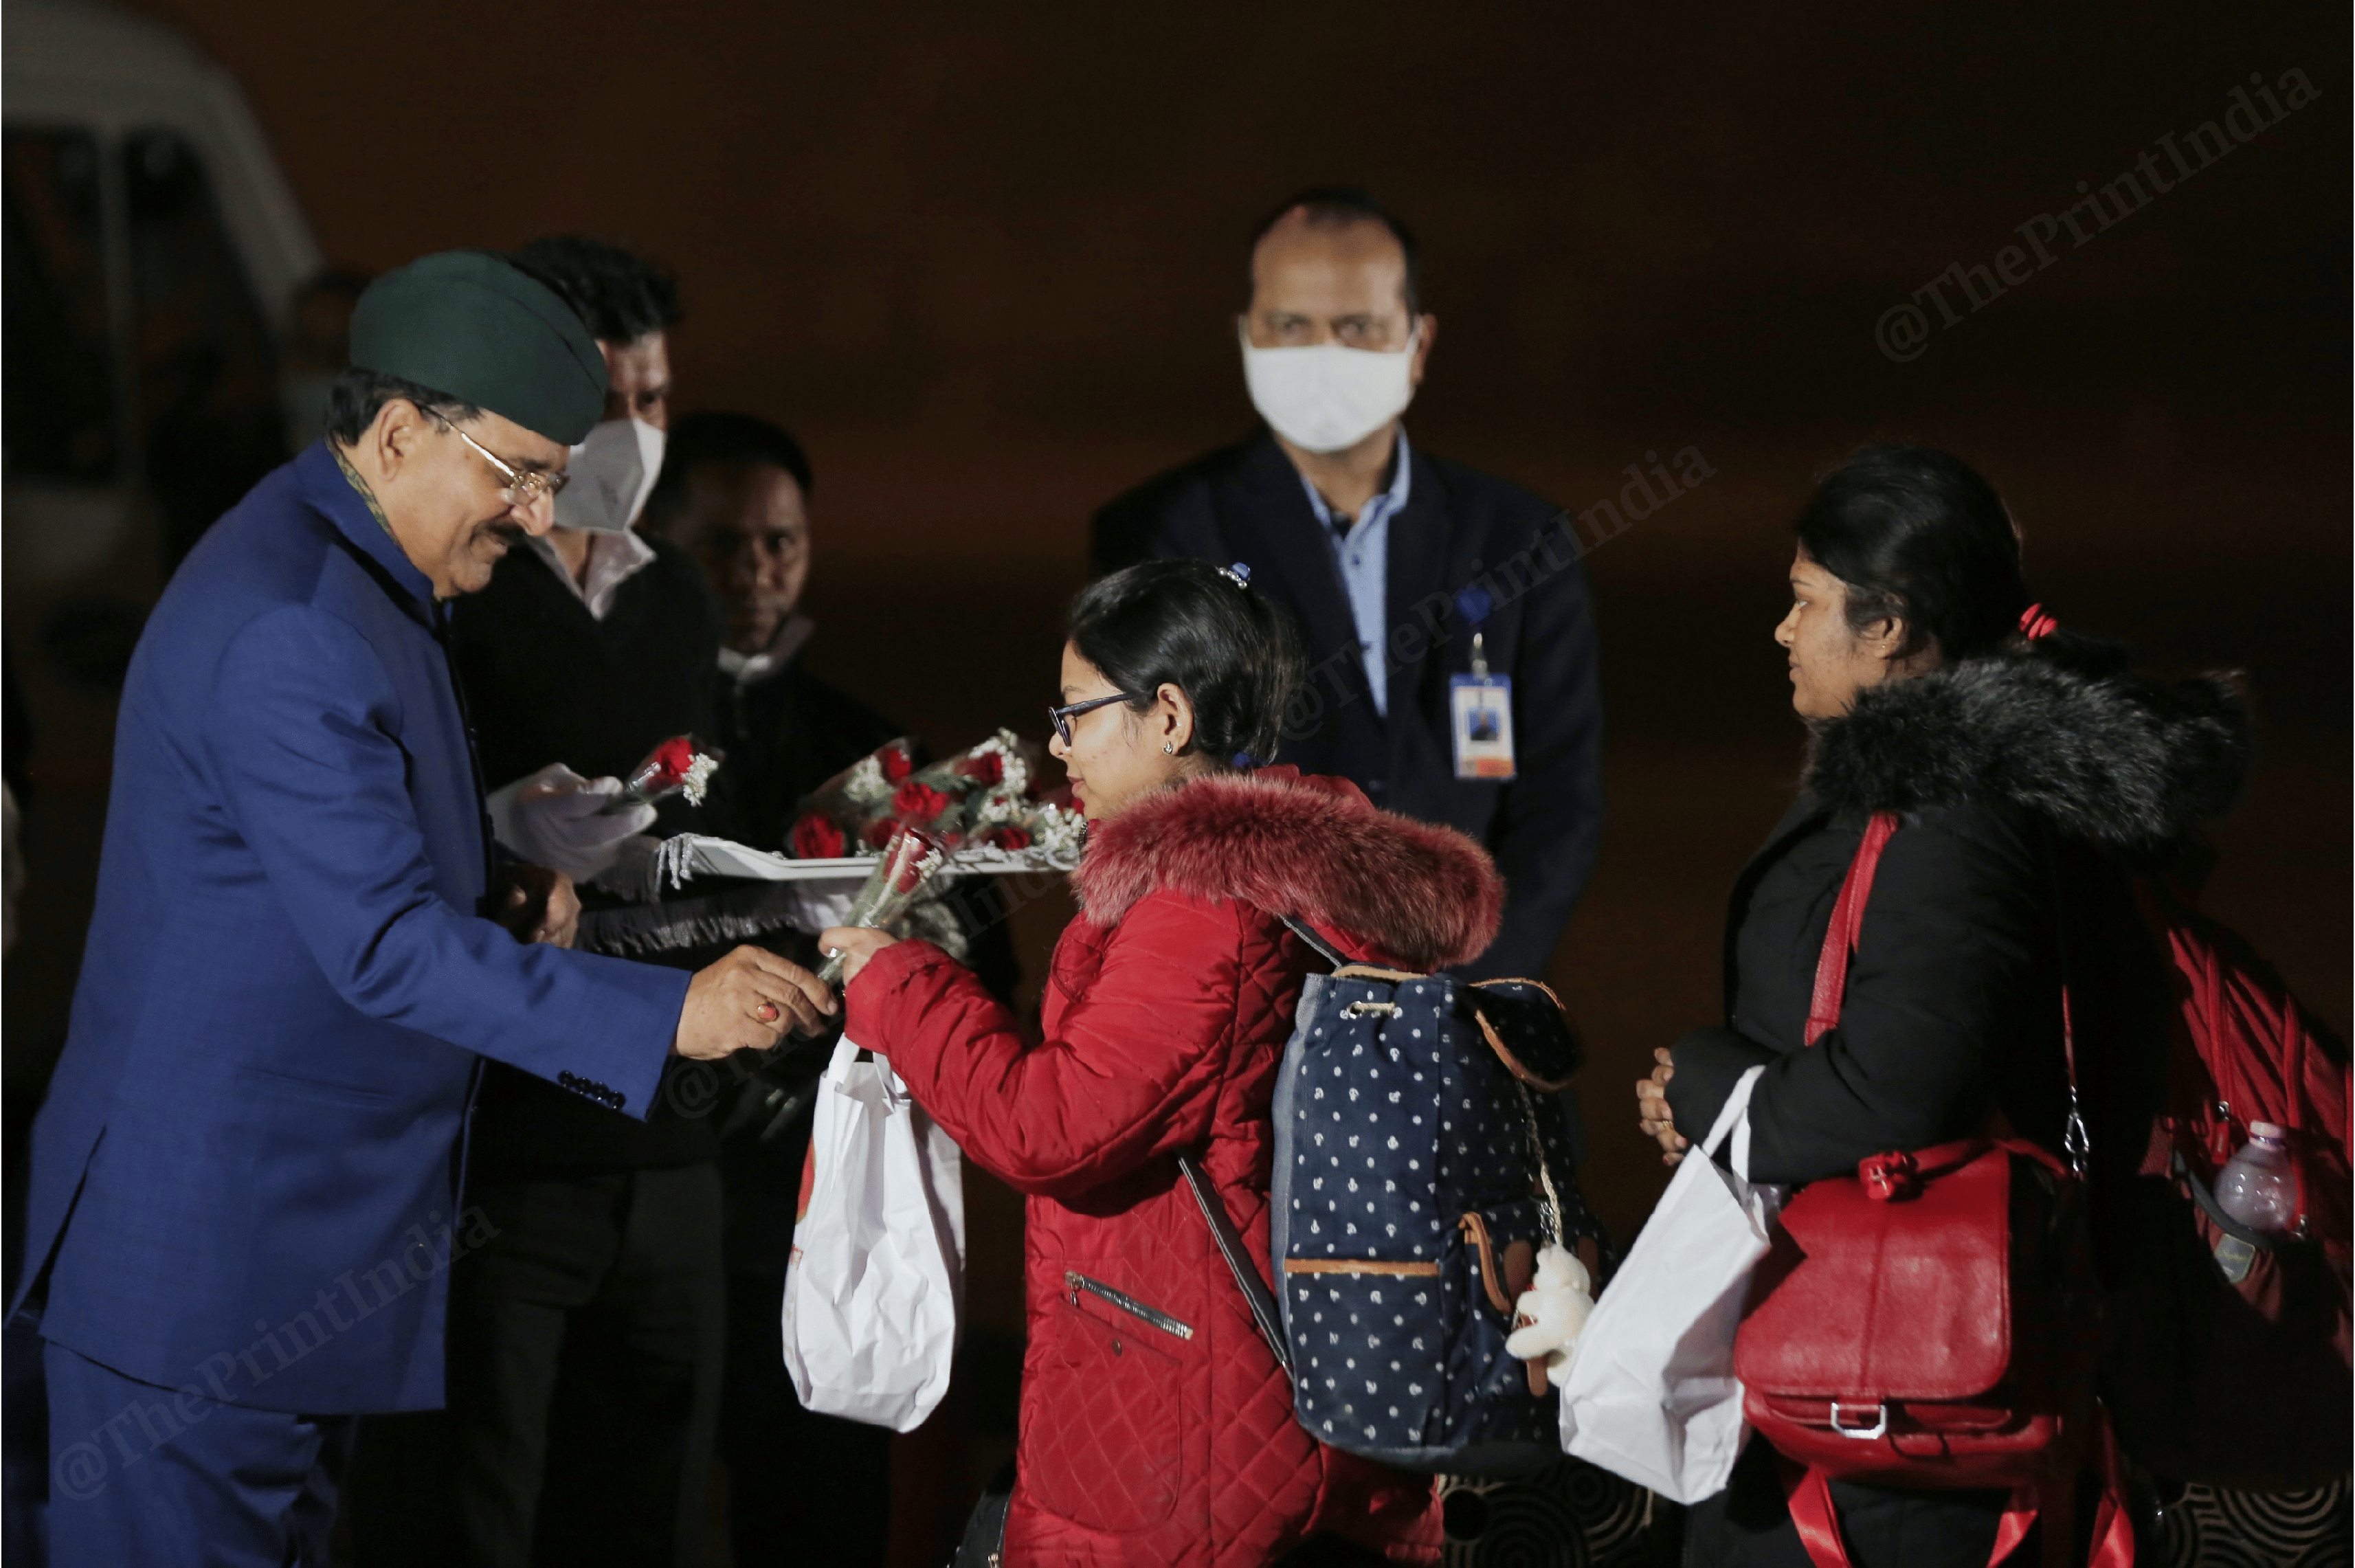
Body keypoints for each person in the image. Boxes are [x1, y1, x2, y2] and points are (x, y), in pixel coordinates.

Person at [3, 250, 834, 1568]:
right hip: (215, 1279)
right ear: (398, 435)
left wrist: (487, 877)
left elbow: (321, 876)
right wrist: (673, 1011)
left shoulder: (356, 564)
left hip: (286, 1267)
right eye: (521, 477)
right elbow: (382, 947)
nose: (541, 513)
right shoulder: (301, 623)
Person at [1640, 445, 2242, 1566]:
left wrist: (1706, 1089)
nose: (1781, 629)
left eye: (1805, 600)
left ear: (1890, 624)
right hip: (1872, 1374)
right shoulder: (1935, 790)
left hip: (1904, 1409)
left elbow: (1901, 1081)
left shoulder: (1951, 810)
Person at [819, 558, 1482, 1567]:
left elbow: (1054, 1127)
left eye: (1076, 712)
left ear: (1166, 715)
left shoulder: (1199, 905)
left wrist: (902, 985)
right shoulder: (1297, 875)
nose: (1056, 743)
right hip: (1260, 1385)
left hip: (1186, 1417)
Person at [353, 237, 733, 1568]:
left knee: (657, 1506)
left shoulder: (673, 596)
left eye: (655, 401)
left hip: (669, 1144)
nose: (633, 432)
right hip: (503, 1142)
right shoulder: (450, 581)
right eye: (608, 400)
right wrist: (499, 831)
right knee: (477, 1505)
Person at [1090, 188, 1603, 981]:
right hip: (1259, 1006)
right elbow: (1148, 792)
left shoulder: (1518, 538)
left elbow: (1559, 804)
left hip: (1471, 1005)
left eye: (1357, 327)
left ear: (1419, 342)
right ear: (1245, 338)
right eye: (1291, 327)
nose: (1323, 354)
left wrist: (1470, 986)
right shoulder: (1161, 536)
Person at [638, 410, 902, 1565]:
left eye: (780, 545)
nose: (755, 574)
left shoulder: (871, 749)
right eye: (723, 545)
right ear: (660, 544)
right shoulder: (616, 741)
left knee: (819, 1498)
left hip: (819, 1202)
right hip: (661, 1189)